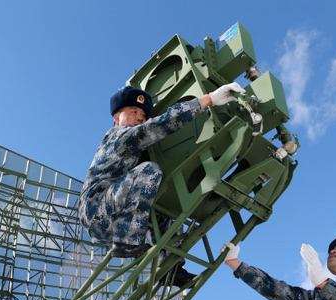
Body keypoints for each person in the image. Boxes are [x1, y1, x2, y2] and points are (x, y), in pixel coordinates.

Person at [78, 82, 243, 286]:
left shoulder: (135, 148)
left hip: (115, 212)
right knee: (150, 171)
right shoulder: (117, 137)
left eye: (143, 114)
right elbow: (157, 127)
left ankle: (169, 268)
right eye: (134, 110)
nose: (140, 116)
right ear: (115, 118)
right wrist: (208, 99)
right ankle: (128, 242)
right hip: (96, 208)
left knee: (167, 205)